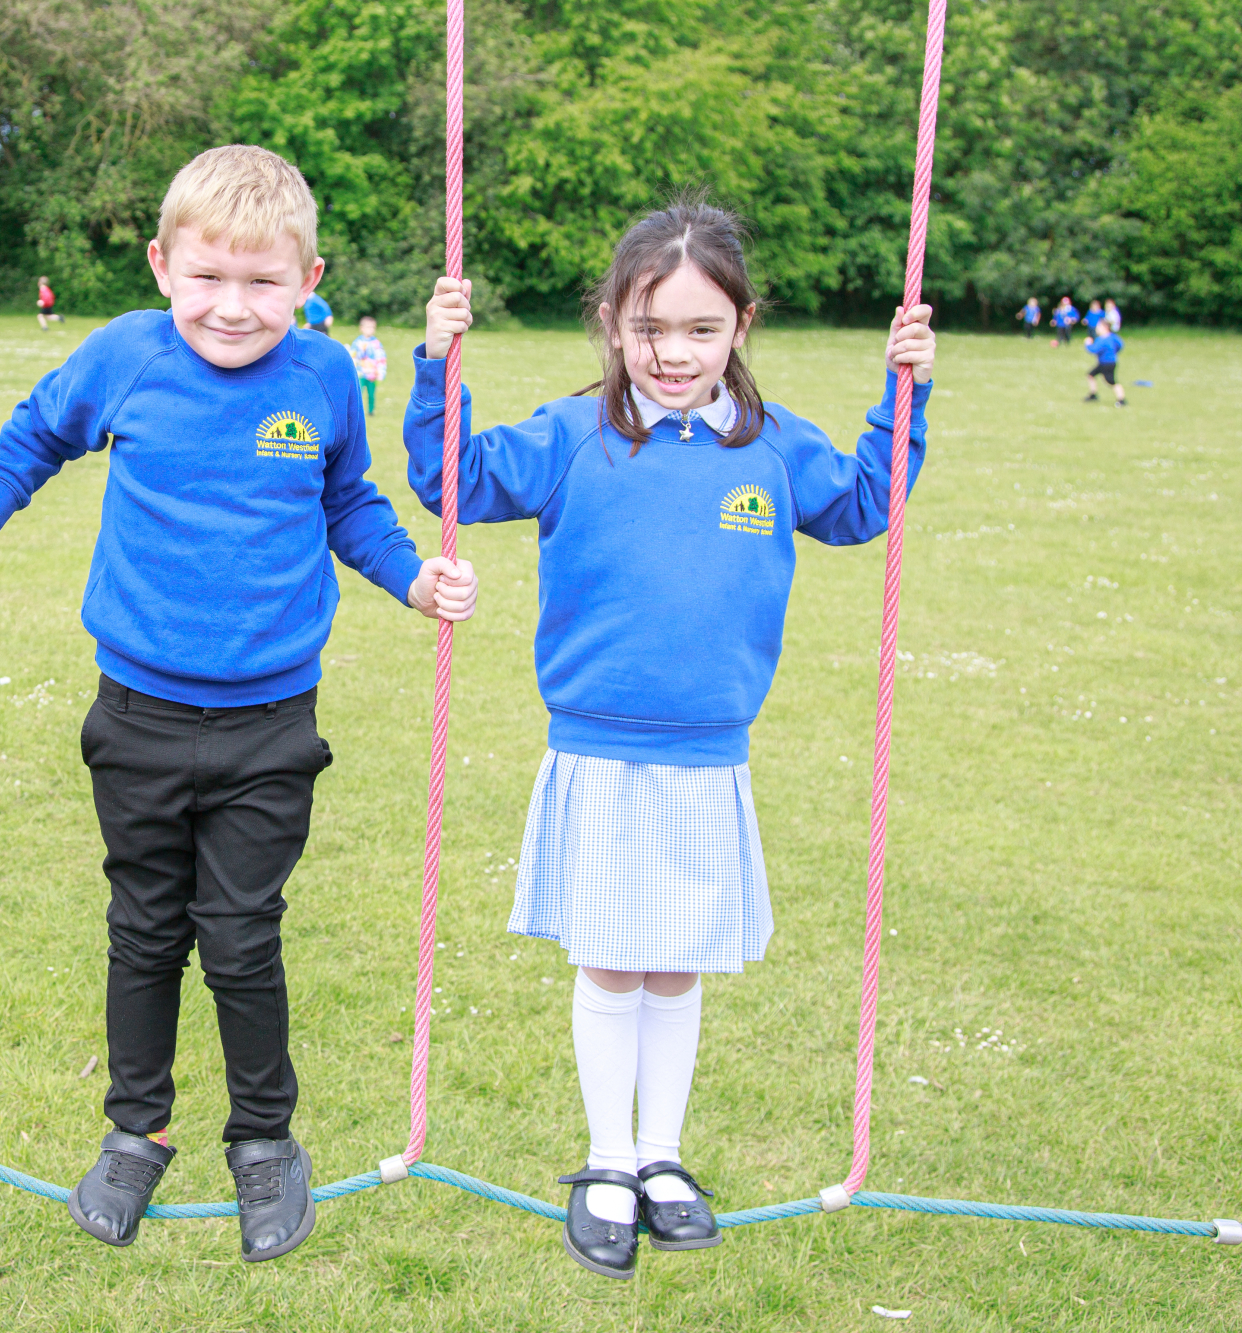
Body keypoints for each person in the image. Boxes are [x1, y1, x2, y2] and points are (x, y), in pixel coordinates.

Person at [0, 144, 477, 1262]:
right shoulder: (123, 354)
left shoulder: (320, 377)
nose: (233, 308)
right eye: (208, 278)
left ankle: (264, 1142)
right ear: (161, 265)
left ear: (307, 278)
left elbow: (350, 503)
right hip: (133, 713)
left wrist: (413, 576)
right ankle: (137, 1129)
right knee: (141, 933)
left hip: (272, 725)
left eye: (262, 283)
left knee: (237, 937)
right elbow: (34, 432)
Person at [408, 196, 934, 1281]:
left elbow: (865, 503)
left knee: (676, 968)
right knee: (611, 961)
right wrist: (435, 365)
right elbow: (450, 479)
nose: (673, 352)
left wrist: (903, 393)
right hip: (596, 745)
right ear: (610, 322)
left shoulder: (771, 445)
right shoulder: (569, 434)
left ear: (740, 326)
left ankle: (660, 1157)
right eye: (649, 328)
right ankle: (605, 1160)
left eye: (701, 329)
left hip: (708, 755)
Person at [349, 315, 387, 415]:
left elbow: (381, 358)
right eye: (368, 327)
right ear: (361, 328)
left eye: (372, 327)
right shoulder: (357, 343)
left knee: (371, 394)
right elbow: (353, 356)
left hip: (372, 375)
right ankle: (357, 411)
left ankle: (371, 410)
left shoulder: (376, 344)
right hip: (360, 373)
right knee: (359, 393)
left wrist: (380, 372)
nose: (370, 330)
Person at [1084, 320, 1124, 405]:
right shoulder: (1113, 337)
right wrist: (1114, 352)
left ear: (1105, 328)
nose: (1097, 329)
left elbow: (1093, 350)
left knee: (1111, 381)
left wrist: (1087, 344)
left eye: (1099, 327)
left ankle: (1121, 400)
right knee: (1090, 375)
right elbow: (1120, 345)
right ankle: (1093, 394)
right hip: (1109, 362)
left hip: (1106, 364)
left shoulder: (1102, 339)